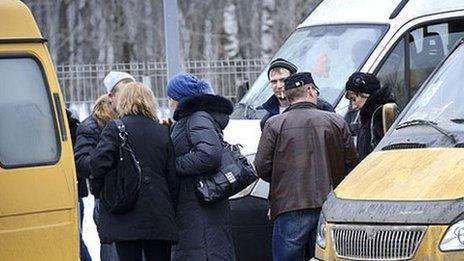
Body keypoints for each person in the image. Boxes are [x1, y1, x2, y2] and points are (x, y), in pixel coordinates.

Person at [254, 72, 358, 260]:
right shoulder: (335, 121)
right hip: (328, 203)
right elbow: (351, 164)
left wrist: (282, 179)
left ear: (286, 94)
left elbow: (261, 167)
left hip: (289, 204)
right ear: (310, 90)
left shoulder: (274, 124)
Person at [89, 82, 179, 261]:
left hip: (125, 212)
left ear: (123, 101)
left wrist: (101, 193)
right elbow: (173, 178)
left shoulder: (115, 129)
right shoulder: (162, 132)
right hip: (158, 213)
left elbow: (98, 165)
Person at [167, 73, 236, 261]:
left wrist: (174, 165)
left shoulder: (197, 118)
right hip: (197, 205)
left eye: (171, 98)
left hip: (198, 205)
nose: (169, 102)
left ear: (179, 99)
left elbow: (210, 155)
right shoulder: (192, 119)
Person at [74, 70, 135, 261]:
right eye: (125, 93)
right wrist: (109, 161)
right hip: (109, 201)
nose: (129, 98)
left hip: (135, 200)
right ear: (111, 96)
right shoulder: (92, 125)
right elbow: (81, 163)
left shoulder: (134, 120)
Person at [260, 58, 334, 130]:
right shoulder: (267, 121)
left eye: (283, 80)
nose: (279, 86)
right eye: (274, 82)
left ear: (292, 80)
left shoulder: (322, 108)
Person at [345, 72, 396, 160]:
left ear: (365, 94)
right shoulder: (368, 116)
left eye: (354, 99)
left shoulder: (379, 115)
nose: (353, 106)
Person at [66, 109, 92, 261]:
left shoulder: (71, 126)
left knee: (76, 241)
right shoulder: (73, 124)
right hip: (73, 191)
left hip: (72, 192)